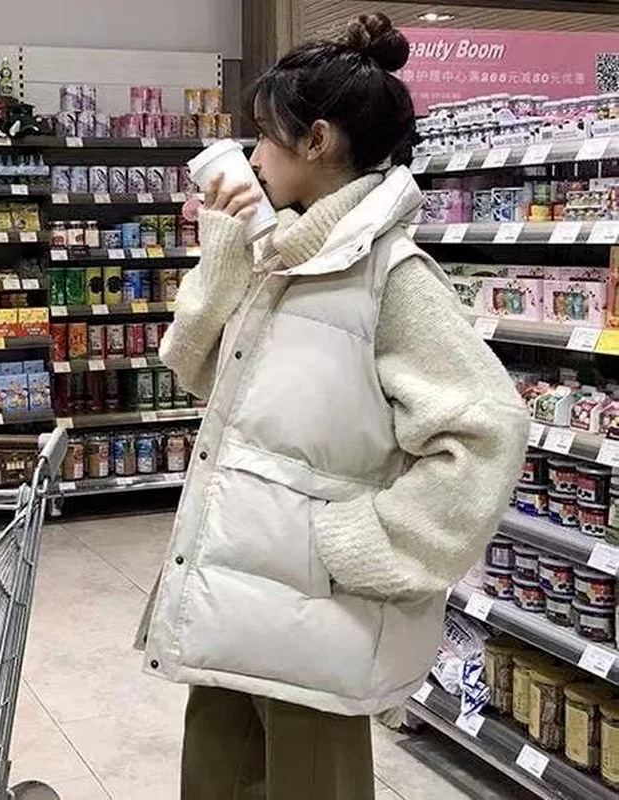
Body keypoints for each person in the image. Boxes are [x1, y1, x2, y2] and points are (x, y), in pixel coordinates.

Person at [136, 12, 529, 799]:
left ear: (316, 141)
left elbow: (488, 431)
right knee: (214, 777)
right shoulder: (281, 258)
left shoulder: (392, 277)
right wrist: (227, 249)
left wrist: (371, 547)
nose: (253, 156)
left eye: (265, 136)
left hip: (316, 618)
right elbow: (190, 367)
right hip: (229, 599)